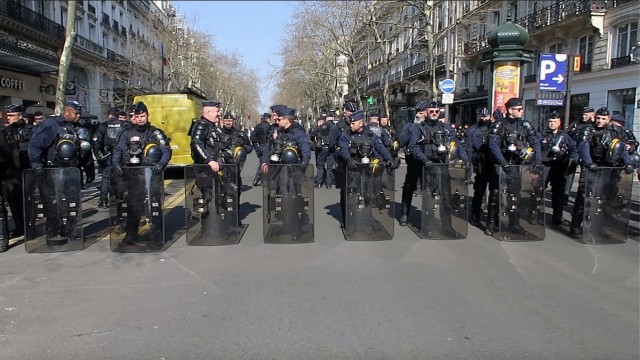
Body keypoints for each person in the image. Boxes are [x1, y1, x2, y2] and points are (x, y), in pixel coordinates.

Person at [111, 102, 172, 245]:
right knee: (133, 205)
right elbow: (118, 151)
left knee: (154, 204)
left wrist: (161, 164)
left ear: (148, 115)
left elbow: (166, 151)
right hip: (132, 175)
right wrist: (116, 164)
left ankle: (157, 233)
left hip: (152, 175)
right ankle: (131, 234)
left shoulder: (155, 132)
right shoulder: (127, 132)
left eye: (142, 116)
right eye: (137, 116)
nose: (140, 119)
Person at [569, 107, 634, 239]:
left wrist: (628, 163)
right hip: (592, 166)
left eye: (603, 119)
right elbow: (583, 147)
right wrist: (588, 162)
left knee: (604, 199)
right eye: (598, 118)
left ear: (608, 119)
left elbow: (622, 149)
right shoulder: (588, 129)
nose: (600, 121)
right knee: (583, 196)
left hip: (607, 167)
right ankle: (575, 226)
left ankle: (598, 226)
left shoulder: (614, 131)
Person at [27, 100, 84, 244]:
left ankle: (70, 231)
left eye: (79, 113)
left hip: (71, 170)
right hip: (53, 170)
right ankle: (53, 232)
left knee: (72, 201)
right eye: (76, 113)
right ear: (67, 112)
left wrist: (88, 169)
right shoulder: (52, 124)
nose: (79, 116)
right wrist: (37, 165)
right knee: (54, 204)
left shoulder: (77, 127)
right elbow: (35, 144)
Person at [487, 97, 542, 236]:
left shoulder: (526, 125)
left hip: (518, 164)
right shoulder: (499, 124)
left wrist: (538, 159)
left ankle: (514, 224)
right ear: (510, 110)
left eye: (522, 109)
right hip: (500, 164)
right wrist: (502, 162)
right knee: (495, 194)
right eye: (518, 109)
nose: (521, 111)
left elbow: (535, 142)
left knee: (515, 196)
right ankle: (491, 223)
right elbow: (493, 144)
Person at [402, 101, 457, 236]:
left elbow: (455, 142)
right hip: (421, 163)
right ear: (426, 112)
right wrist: (424, 159)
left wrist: (452, 154)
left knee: (445, 194)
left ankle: (447, 225)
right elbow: (413, 146)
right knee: (413, 187)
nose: (434, 114)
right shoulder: (418, 128)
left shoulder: (445, 127)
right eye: (431, 111)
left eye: (436, 111)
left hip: (440, 164)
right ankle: (408, 214)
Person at [337, 110, 398, 231]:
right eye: (350, 123)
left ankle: (368, 218)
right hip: (352, 169)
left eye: (353, 123)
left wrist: (390, 159)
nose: (350, 125)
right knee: (348, 195)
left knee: (369, 195)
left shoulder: (370, 135)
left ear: (360, 123)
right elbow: (343, 149)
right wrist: (348, 159)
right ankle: (347, 219)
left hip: (367, 169)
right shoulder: (346, 135)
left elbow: (380, 148)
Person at [261, 107, 312, 240]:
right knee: (281, 198)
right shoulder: (278, 131)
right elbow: (269, 148)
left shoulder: (298, 132)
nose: (276, 121)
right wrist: (265, 162)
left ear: (286, 119)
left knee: (294, 198)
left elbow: (305, 147)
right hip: (279, 172)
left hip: (294, 172)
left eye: (278, 119)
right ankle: (286, 224)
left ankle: (296, 228)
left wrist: (305, 161)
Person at [0, 105, 32, 251]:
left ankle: (28, 226)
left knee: (25, 201)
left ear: (20, 116)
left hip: (25, 170)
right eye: (8, 115)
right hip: (10, 173)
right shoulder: (5, 131)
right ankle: (20, 226)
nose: (9, 117)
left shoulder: (29, 130)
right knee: (13, 202)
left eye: (12, 115)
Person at [539, 111, 578, 226]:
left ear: (559, 122)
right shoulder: (542, 134)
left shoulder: (565, 136)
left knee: (559, 194)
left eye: (555, 121)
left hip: (559, 167)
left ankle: (557, 217)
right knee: (539, 191)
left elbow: (574, 149)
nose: (552, 124)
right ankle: (534, 214)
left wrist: (573, 161)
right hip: (545, 166)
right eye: (550, 121)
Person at [92, 107, 129, 208]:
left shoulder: (103, 126)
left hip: (108, 155)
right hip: (122, 155)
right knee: (122, 176)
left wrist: (98, 155)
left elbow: (96, 141)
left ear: (109, 115)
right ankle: (122, 199)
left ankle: (103, 200)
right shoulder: (124, 125)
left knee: (106, 177)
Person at [328, 101, 357, 227]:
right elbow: (331, 144)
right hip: (343, 163)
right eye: (349, 112)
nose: (351, 115)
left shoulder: (358, 125)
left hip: (357, 162)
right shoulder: (338, 127)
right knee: (345, 191)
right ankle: (345, 217)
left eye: (353, 112)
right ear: (344, 112)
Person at [467, 107, 496, 230]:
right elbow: (469, 147)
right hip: (480, 162)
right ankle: (475, 215)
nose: (484, 118)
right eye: (482, 116)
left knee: (495, 192)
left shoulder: (494, 128)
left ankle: (493, 218)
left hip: (493, 163)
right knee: (479, 191)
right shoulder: (472, 130)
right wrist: (468, 162)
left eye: (486, 116)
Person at [219, 112, 253, 211]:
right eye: (226, 121)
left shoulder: (240, 134)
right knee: (221, 190)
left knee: (235, 190)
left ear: (234, 121)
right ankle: (222, 213)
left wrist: (242, 146)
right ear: (223, 121)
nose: (228, 123)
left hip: (235, 167)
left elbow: (250, 148)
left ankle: (235, 215)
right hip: (221, 166)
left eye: (230, 120)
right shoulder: (218, 133)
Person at [310, 115, 335, 188]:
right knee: (329, 166)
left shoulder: (320, 127)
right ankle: (328, 183)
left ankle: (319, 182)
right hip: (331, 148)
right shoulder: (335, 127)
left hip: (322, 148)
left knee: (320, 165)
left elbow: (312, 134)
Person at [250, 112, 272, 186]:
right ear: (268, 119)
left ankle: (261, 179)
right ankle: (258, 178)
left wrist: (256, 147)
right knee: (264, 163)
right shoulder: (270, 127)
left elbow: (252, 138)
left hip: (260, 146)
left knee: (262, 162)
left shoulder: (257, 127)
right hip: (267, 146)